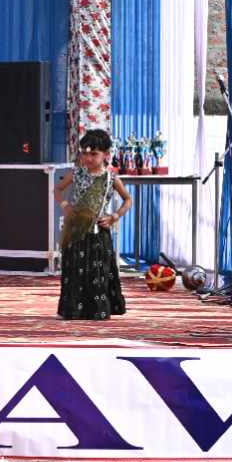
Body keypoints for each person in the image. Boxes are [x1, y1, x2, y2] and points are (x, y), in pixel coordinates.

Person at [55, 128, 132, 320]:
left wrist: (114, 216)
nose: (88, 158)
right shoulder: (76, 173)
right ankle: (74, 309)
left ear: (106, 154)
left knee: (98, 271)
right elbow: (57, 189)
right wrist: (65, 206)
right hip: (76, 231)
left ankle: (98, 309)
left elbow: (128, 199)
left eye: (94, 154)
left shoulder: (111, 178)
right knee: (75, 270)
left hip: (99, 231)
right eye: (84, 153)